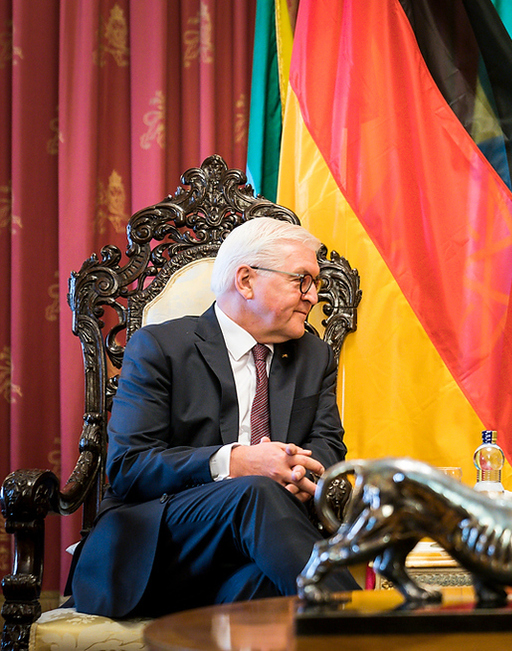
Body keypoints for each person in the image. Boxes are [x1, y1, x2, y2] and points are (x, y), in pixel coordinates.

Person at [68, 217, 359, 618]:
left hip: (253, 558)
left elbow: (329, 445)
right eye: (302, 281)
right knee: (254, 490)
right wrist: (237, 462)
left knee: (270, 594)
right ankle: (372, 627)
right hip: (159, 549)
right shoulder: (160, 347)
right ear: (246, 281)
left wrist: (297, 474)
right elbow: (129, 467)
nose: (313, 297)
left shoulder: (313, 356)